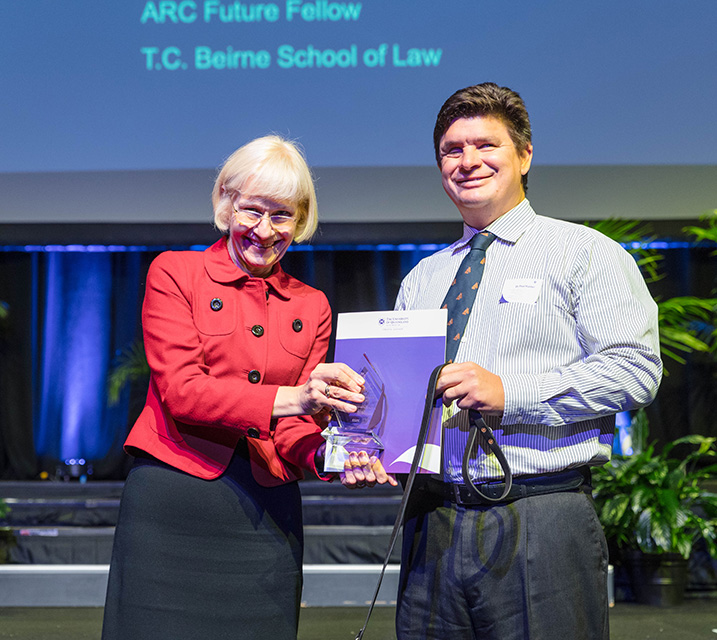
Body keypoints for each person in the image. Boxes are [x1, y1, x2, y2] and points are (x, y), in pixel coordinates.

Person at [393, 83, 662, 639]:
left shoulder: (585, 253)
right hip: (432, 520)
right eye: (452, 149)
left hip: (541, 515)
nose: (468, 161)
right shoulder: (423, 278)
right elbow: (398, 399)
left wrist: (512, 394)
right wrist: (364, 442)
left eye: (485, 145)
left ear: (525, 154)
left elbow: (637, 368)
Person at [101, 135, 395, 640]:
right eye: (252, 211)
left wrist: (336, 456)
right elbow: (183, 391)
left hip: (265, 515)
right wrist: (297, 397)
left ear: (300, 221)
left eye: (281, 216)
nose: (264, 230)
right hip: (173, 504)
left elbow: (296, 430)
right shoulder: (175, 273)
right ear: (224, 201)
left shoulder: (312, 305)